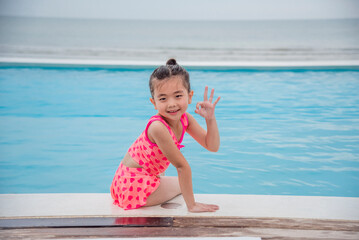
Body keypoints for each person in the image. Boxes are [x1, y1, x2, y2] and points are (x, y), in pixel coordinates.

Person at [110, 59, 220, 213]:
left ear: (190, 96)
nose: (171, 104)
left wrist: (210, 119)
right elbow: (182, 167)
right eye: (163, 98)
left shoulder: (185, 119)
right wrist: (192, 205)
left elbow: (212, 146)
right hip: (131, 186)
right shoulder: (158, 127)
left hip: (132, 180)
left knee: (178, 182)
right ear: (153, 103)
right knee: (180, 184)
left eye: (178, 96)